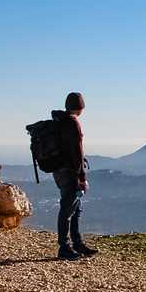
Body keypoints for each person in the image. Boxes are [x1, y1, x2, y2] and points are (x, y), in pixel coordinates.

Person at [53, 92, 98, 260]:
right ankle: (64, 247)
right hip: (68, 171)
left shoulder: (59, 122)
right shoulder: (72, 123)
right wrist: (82, 177)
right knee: (68, 208)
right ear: (81, 108)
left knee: (76, 207)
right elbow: (77, 151)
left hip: (58, 169)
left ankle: (77, 244)